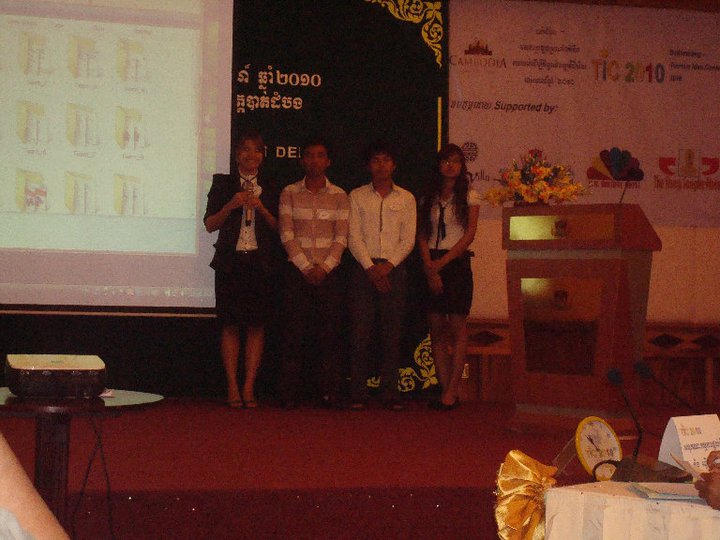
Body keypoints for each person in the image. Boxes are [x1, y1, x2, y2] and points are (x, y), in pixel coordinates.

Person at [204, 130, 279, 409]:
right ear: (237, 155)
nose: (251, 155)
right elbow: (210, 224)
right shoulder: (223, 184)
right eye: (246, 149)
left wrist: (262, 209)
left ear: (262, 156)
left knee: (257, 325)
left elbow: (280, 229)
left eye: (257, 150)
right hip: (230, 264)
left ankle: (249, 386)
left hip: (260, 263)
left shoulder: (271, 185)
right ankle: (232, 386)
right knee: (230, 324)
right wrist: (231, 205)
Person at [277, 139, 349, 408]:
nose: (314, 161)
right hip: (298, 273)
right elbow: (286, 234)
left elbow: (341, 237)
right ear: (302, 161)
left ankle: (330, 392)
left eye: (320, 156)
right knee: (293, 335)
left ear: (328, 162)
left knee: (330, 335)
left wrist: (325, 267)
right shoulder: (289, 192)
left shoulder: (340, 195)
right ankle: (289, 394)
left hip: (330, 274)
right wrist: (306, 267)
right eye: (309, 156)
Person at [347, 141, 416, 410]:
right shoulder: (357, 196)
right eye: (376, 160)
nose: (381, 165)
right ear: (368, 165)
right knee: (360, 333)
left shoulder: (406, 198)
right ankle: (358, 392)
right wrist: (371, 268)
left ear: (394, 165)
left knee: (392, 333)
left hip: (394, 269)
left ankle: (390, 392)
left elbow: (408, 239)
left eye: (386, 160)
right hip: (363, 269)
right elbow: (353, 237)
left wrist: (388, 266)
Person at [416, 143, 480, 410]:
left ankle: (453, 389)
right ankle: (444, 388)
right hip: (430, 260)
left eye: (455, 161)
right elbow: (421, 233)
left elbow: (469, 234)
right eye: (446, 161)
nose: (450, 166)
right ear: (438, 165)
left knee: (456, 324)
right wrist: (429, 265)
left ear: (462, 166)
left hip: (456, 262)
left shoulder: (470, 195)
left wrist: (442, 263)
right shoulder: (427, 196)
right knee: (436, 326)